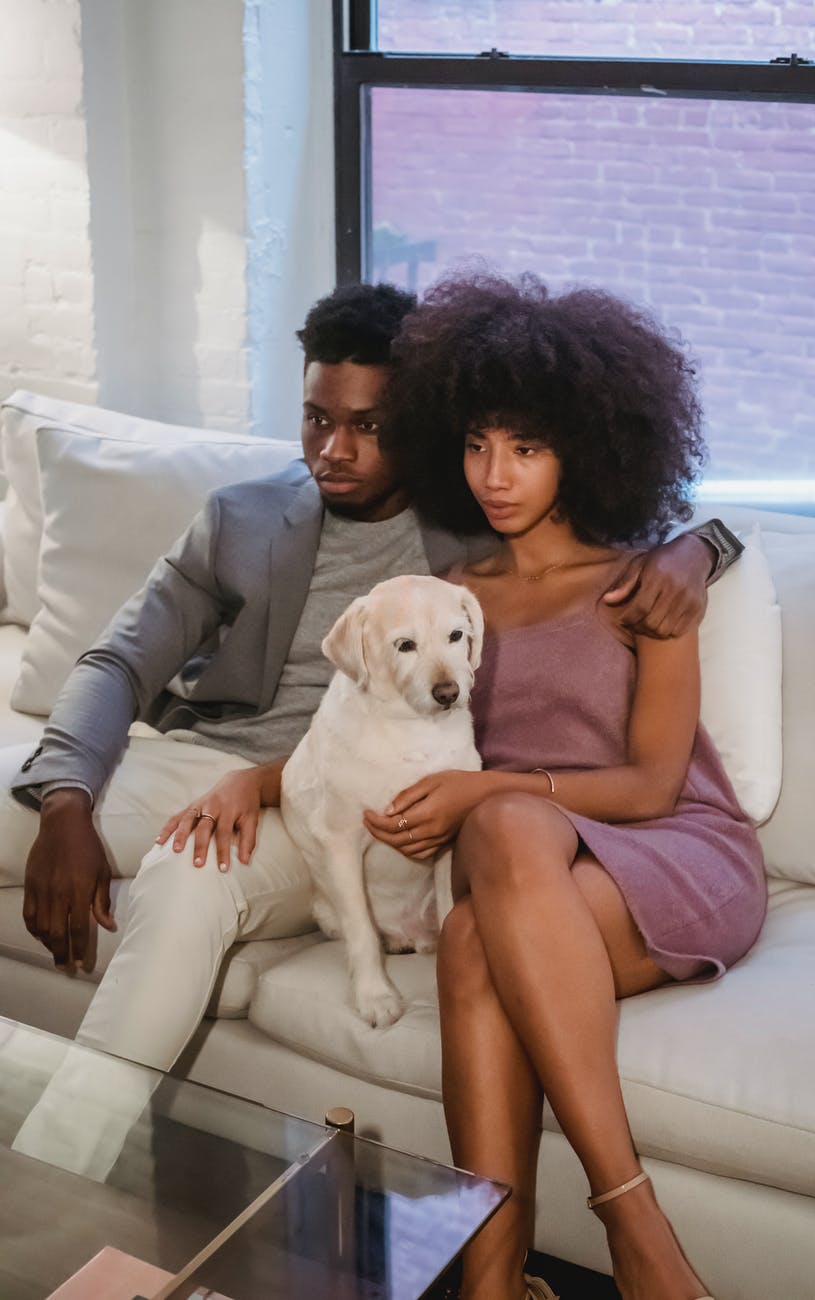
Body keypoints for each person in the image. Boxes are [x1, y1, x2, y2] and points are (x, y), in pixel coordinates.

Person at [5, 281, 737, 1075]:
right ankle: (71, 1166)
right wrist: (67, 800)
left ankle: (75, 1157)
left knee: (184, 880)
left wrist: (700, 548)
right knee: (101, 835)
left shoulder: (469, 536)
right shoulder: (243, 518)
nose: (333, 452)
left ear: (417, 429)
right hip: (227, 769)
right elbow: (117, 661)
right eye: (318, 419)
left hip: (329, 803)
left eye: (369, 427)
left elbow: (614, 518)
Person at [359, 273, 767, 1300]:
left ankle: (628, 1220)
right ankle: (498, 1285)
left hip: (672, 849)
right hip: (531, 871)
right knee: (474, 918)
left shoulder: (643, 585)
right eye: (478, 443)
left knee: (497, 827)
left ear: (585, 446)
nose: (496, 474)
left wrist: (493, 794)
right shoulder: (458, 600)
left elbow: (651, 784)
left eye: (527, 447)